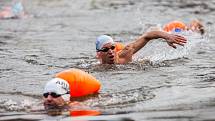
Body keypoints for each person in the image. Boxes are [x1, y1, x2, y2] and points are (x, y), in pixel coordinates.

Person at [96, 30, 187, 64]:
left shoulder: (125, 55)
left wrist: (167, 36)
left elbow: (147, 36)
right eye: (105, 49)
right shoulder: (97, 69)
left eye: (112, 48)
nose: (110, 51)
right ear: (99, 54)